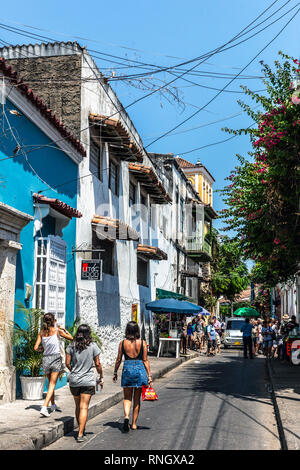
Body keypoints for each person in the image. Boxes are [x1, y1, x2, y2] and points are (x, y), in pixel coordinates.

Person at [65, 324, 103, 442]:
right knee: (84, 407)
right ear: (88, 334)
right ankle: (81, 433)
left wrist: (74, 371)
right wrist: (101, 375)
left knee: (78, 406)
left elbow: (67, 363)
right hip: (87, 381)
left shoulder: (71, 346)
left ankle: (81, 428)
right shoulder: (93, 346)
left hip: (74, 381)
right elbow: (97, 364)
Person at [113, 321, 152, 432]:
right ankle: (134, 424)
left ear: (127, 330)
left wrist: (115, 372)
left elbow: (118, 359)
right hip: (140, 370)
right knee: (136, 399)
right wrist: (149, 376)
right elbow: (145, 360)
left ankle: (126, 417)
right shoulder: (142, 343)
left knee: (127, 397)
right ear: (137, 331)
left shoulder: (122, 343)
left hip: (127, 369)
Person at [34, 313, 73, 417]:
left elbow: (35, 347)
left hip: (45, 359)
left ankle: (53, 404)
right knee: (52, 385)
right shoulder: (57, 331)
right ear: (54, 321)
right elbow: (71, 337)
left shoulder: (41, 333)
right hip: (55, 358)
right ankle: (44, 407)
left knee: (50, 384)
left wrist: (42, 349)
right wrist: (64, 329)